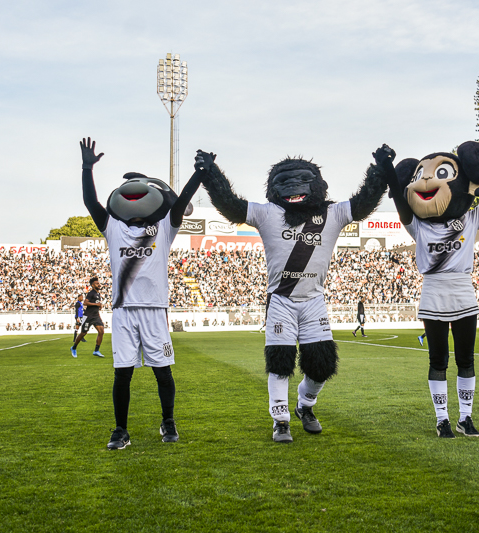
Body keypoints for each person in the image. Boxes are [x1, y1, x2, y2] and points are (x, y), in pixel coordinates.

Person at [197, 146, 388, 443]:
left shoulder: (333, 213)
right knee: (280, 363)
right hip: (281, 301)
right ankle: (280, 420)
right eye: (284, 182)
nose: (294, 189)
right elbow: (231, 206)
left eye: (302, 182)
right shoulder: (267, 213)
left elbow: (364, 202)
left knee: (322, 366)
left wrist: (380, 170)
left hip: (313, 301)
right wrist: (211, 174)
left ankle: (305, 405)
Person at [378, 136, 479, 439]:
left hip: (462, 293)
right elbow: (399, 199)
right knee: (438, 360)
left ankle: (465, 418)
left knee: (466, 360)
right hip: (433, 292)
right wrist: (388, 168)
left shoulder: (470, 219)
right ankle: (442, 419)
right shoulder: (418, 226)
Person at [79, 137, 201, 450]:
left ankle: (168, 421)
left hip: (154, 309)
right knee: (122, 374)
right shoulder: (113, 228)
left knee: (163, 372)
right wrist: (87, 168)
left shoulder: (164, 227)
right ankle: (121, 430)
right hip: (123, 311)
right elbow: (91, 203)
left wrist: (199, 174)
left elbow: (181, 201)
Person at [71, 277, 105, 357]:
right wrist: (96, 304)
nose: (99, 284)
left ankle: (96, 351)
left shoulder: (98, 294)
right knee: (83, 333)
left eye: (99, 283)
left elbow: (96, 304)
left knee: (101, 331)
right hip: (88, 316)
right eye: (97, 284)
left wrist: (99, 306)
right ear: (93, 285)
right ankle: (74, 347)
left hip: (96, 316)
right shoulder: (91, 293)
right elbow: (85, 303)